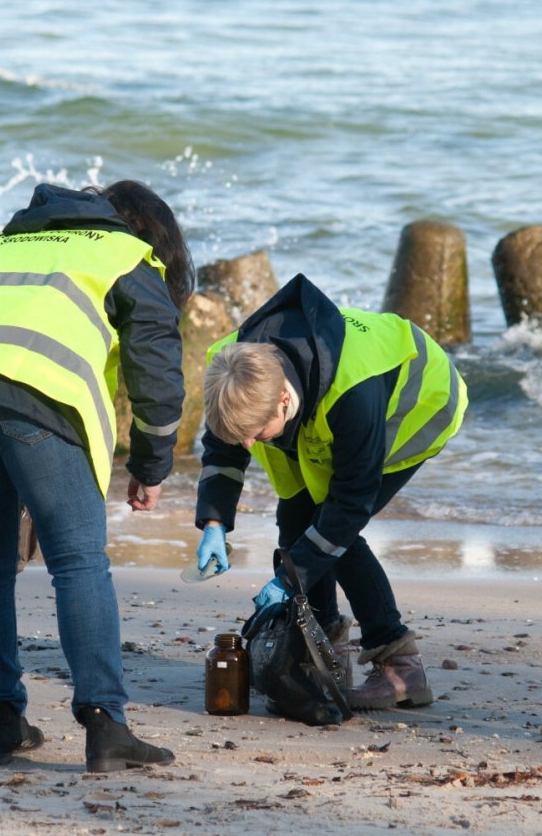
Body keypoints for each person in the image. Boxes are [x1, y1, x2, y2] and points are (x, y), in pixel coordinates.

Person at [0, 180, 192, 771]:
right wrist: (152, 464)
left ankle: (3, 724)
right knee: (78, 560)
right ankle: (106, 725)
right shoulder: (122, 253)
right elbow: (157, 365)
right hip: (34, 394)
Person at [192, 274, 466, 710]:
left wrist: (288, 577)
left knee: (333, 530)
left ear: (284, 400)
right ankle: (323, 644)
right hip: (318, 408)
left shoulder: (353, 394)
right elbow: (223, 449)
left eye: (256, 434)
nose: (248, 445)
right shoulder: (234, 372)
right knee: (296, 522)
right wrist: (213, 523)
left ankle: (400, 664)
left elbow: (349, 508)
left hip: (417, 405)